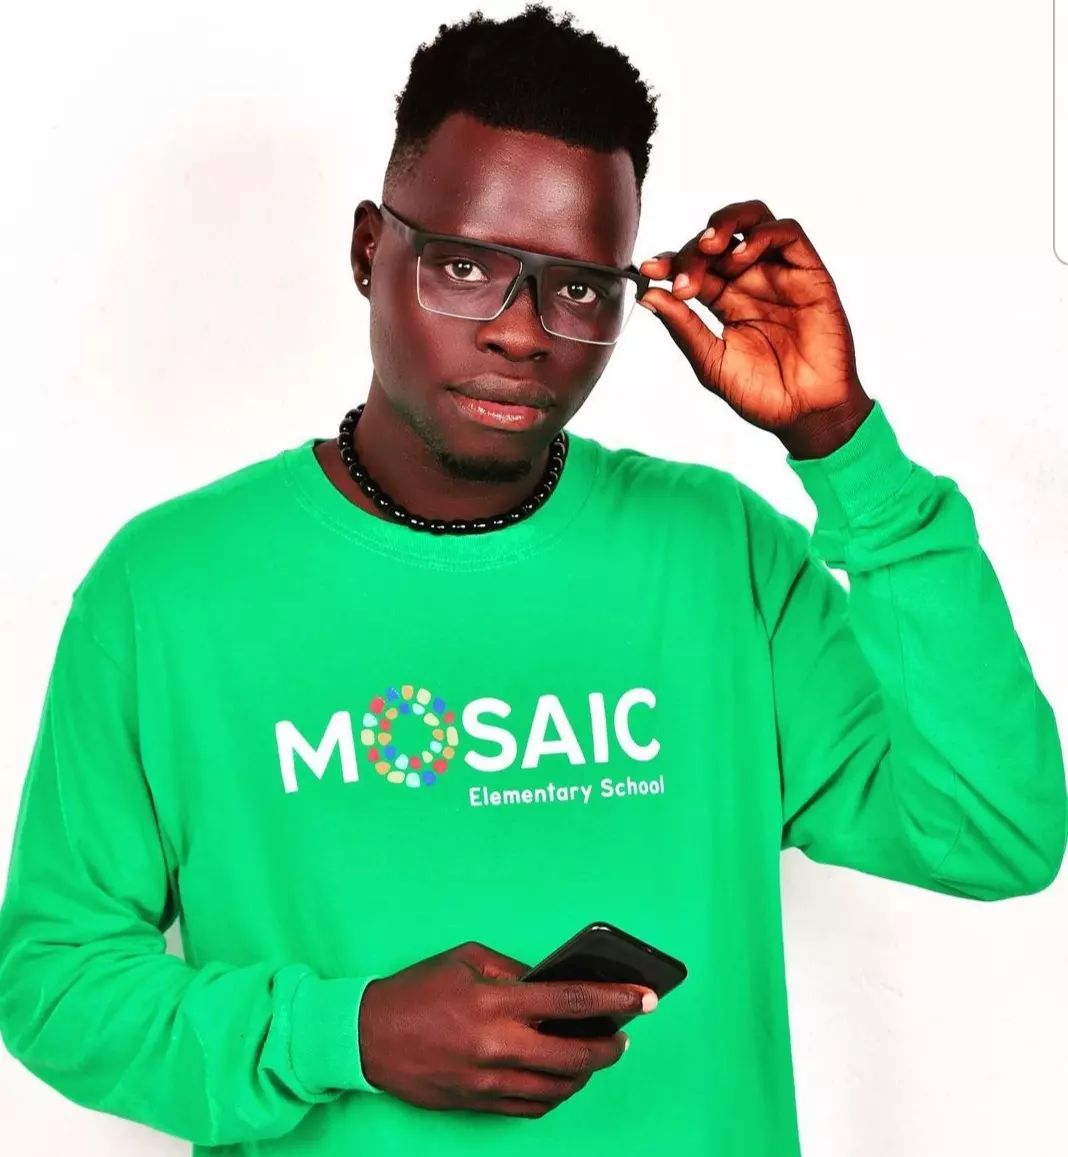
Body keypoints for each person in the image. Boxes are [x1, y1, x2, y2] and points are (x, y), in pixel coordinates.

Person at [1, 4, 1065, 1156]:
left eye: (580, 288)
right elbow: (53, 982)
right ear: (369, 250)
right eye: (465, 266)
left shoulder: (720, 555)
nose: (523, 332)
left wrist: (845, 448)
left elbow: (995, 830)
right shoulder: (170, 588)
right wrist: (348, 1032)